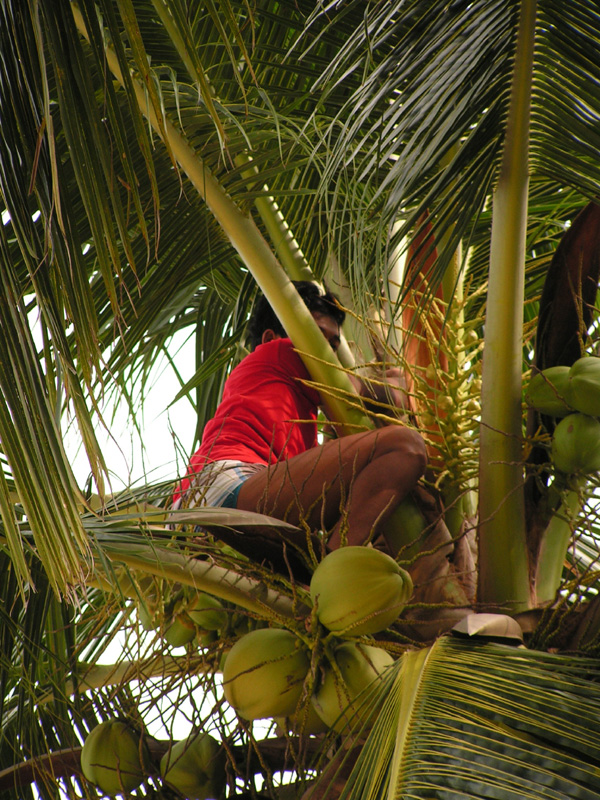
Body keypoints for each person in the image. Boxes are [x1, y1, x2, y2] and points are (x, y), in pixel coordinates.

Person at [174, 282, 427, 570]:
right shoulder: (277, 352)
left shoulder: (298, 421)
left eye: (333, 345)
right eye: (319, 339)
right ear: (271, 337)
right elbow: (378, 394)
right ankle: (330, 577)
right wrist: (405, 382)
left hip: (214, 512)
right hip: (222, 493)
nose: (329, 354)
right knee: (404, 447)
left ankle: (325, 576)